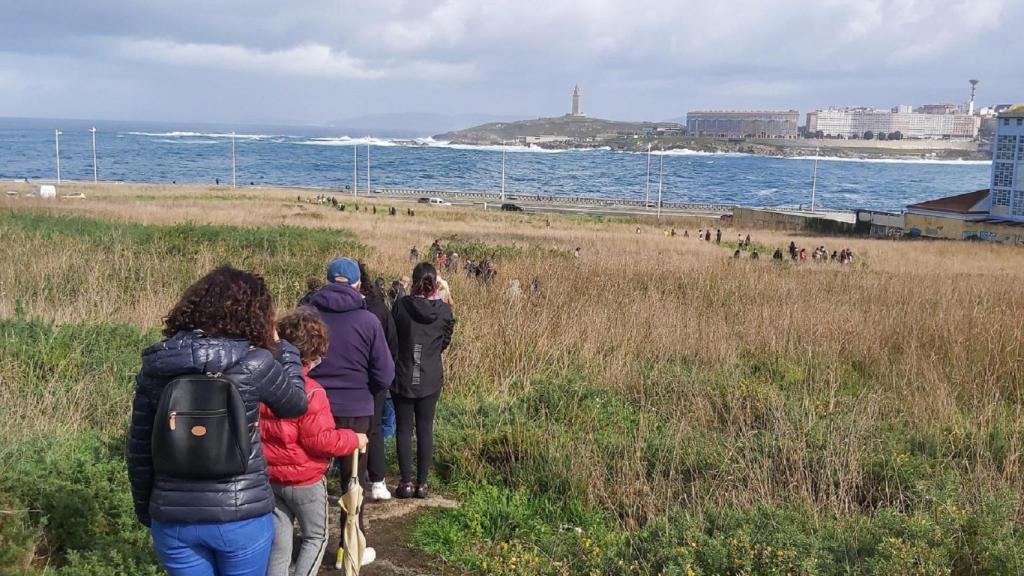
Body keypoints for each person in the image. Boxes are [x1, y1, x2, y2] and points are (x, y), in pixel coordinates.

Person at [128, 266, 309, 576]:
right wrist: (285, 350)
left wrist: (149, 510)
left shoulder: (157, 366)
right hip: (241, 513)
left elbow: (139, 450)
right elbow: (294, 405)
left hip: (173, 518)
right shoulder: (255, 363)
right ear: (254, 314)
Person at [262, 310, 368, 576]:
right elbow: (321, 441)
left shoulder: (262, 384)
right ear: (313, 353)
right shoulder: (311, 391)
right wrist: (353, 438)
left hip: (271, 477)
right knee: (316, 537)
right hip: (305, 479)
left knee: (280, 542)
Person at [305, 258, 395, 567]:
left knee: (308, 475)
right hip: (356, 410)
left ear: (327, 281)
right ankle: (348, 549)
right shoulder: (368, 320)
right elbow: (385, 373)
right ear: (357, 285)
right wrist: (364, 388)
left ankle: (309, 545)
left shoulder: (307, 316)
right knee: (353, 482)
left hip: (312, 405)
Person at [392, 262, 455, 499]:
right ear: (435, 283)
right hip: (429, 374)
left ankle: (406, 482)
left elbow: (393, 338)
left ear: (414, 280)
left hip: (404, 374)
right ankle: (422, 484)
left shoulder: (400, 306)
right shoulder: (444, 311)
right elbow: (444, 341)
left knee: (404, 429)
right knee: (425, 429)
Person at [357, 261, 398, 502]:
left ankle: (354, 480)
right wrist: (385, 374)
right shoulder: (379, 309)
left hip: (348, 381)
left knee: (347, 430)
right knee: (375, 429)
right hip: (375, 380)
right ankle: (378, 481)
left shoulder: (332, 310)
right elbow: (393, 345)